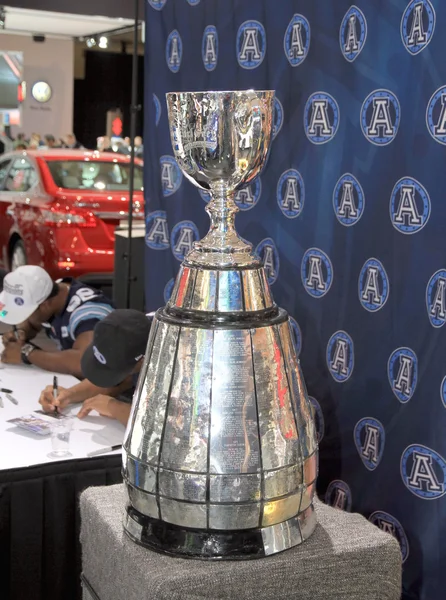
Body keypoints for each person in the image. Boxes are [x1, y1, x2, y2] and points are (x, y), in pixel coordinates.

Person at [38, 309, 153, 425]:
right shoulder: (133, 332)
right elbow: (114, 381)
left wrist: (116, 408)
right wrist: (69, 394)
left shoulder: (168, 359)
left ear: (143, 361)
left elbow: (163, 427)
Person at [0, 265, 114, 377]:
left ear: (45, 305)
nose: (26, 318)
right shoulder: (53, 292)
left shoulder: (88, 315)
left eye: (27, 314)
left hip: (112, 385)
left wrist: (26, 353)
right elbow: (33, 323)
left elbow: (85, 363)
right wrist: (22, 332)